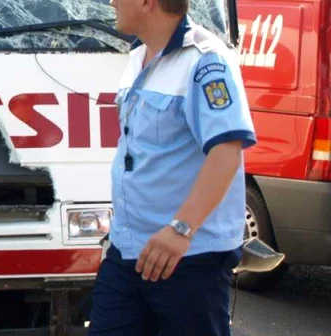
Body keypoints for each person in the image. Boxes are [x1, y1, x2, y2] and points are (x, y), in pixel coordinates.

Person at [87, 0, 257, 335]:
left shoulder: (205, 60)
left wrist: (181, 229)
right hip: (128, 251)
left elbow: (226, 151)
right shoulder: (138, 57)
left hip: (187, 259)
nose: (111, 2)